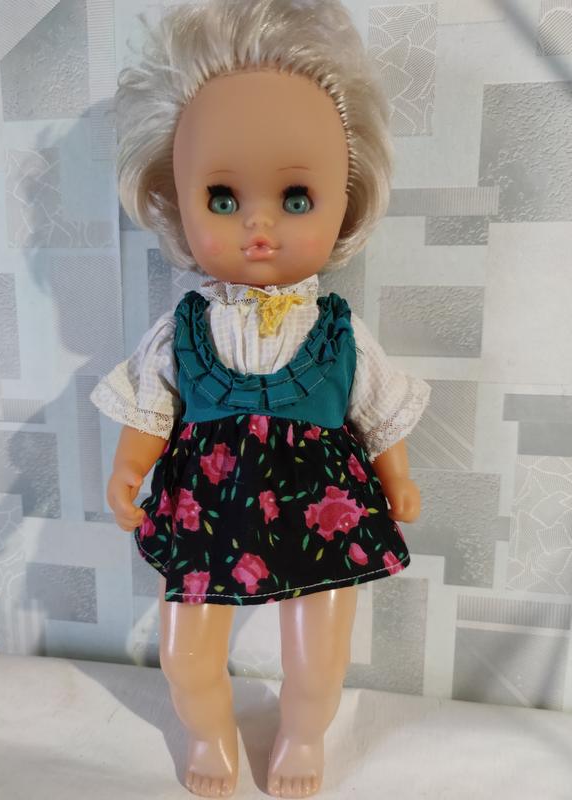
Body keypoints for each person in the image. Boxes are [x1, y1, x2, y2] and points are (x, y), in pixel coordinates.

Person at [90, 1, 431, 796]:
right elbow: (151, 406)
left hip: (322, 504)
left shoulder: (339, 329)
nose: (259, 226)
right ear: (175, 199)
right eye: (222, 198)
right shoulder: (184, 328)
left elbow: (377, 407)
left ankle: (303, 736)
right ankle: (210, 735)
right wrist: (128, 469)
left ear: (347, 196)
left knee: (320, 653)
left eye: (296, 198)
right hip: (206, 506)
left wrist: (398, 475)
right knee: (186, 652)